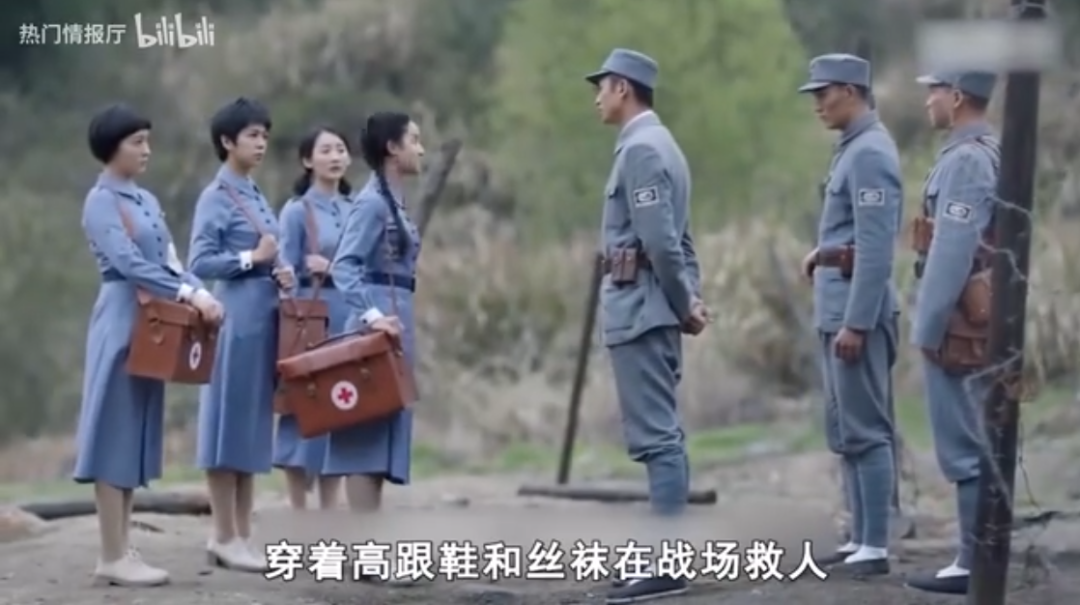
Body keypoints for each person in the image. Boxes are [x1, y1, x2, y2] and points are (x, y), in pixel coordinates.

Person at [74, 103, 223, 586]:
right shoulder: (101, 201)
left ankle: (123, 547)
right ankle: (110, 552)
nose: (146, 151)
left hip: (154, 319)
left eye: (146, 141)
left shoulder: (146, 200)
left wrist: (197, 289)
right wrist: (187, 293)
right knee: (113, 428)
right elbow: (129, 262)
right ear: (111, 147)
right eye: (136, 142)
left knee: (135, 430)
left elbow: (170, 260)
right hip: (122, 315)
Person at [586, 48, 708, 604]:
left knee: (659, 439)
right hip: (651, 305)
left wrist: (684, 304)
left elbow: (661, 242)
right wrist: (689, 299)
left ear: (623, 88)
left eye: (602, 87)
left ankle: (668, 564)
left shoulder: (642, 149)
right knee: (660, 436)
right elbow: (680, 239)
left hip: (642, 309)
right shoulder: (661, 145)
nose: (597, 98)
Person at [797, 53, 902, 576]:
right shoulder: (852, 149)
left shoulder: (870, 153)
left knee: (866, 429)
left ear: (852, 92)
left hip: (854, 311)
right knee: (845, 429)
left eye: (824, 93)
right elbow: (850, 231)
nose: (818, 104)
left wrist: (858, 321)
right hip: (836, 304)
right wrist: (822, 253)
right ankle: (860, 536)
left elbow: (877, 247)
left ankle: (875, 545)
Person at [188, 97, 295, 571]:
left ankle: (244, 533)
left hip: (265, 315)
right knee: (227, 422)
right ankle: (223, 534)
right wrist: (252, 259)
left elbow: (271, 252)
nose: (261, 143)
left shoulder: (254, 192)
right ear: (227, 141)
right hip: (234, 316)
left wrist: (281, 271)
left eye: (265, 135)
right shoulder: (217, 196)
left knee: (252, 426)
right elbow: (200, 261)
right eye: (252, 135)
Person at [904, 71, 1000, 596]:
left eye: (934, 91)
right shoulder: (981, 152)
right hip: (970, 314)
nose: (927, 101)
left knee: (963, 443)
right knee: (975, 436)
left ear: (958, 97)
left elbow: (952, 250)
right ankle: (979, 554)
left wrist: (928, 326)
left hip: (958, 322)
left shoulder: (966, 161)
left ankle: (972, 559)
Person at [328, 112, 423, 512]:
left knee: (383, 433)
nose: (421, 150)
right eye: (414, 140)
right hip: (377, 321)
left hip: (397, 315)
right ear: (392, 148)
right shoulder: (371, 204)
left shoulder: (393, 201)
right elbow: (344, 266)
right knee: (364, 438)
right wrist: (371, 317)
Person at [272, 126, 354, 510]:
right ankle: (298, 511)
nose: (335, 157)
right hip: (310, 317)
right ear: (308, 160)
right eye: (326, 150)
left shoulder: (354, 210)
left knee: (340, 406)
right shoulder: (296, 211)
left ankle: (329, 511)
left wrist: (333, 268)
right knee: (301, 410)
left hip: (346, 316)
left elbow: (365, 266)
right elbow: (284, 267)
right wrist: (296, 272)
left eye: (340, 149)